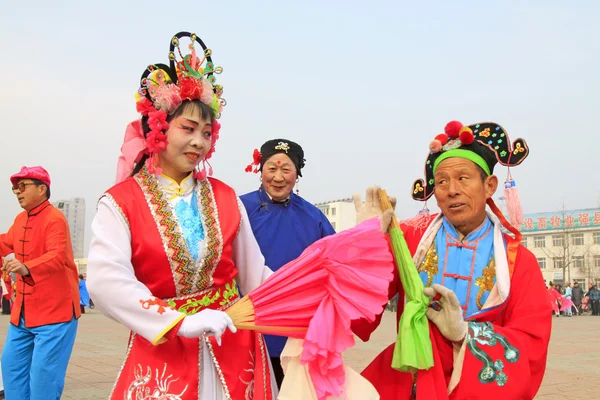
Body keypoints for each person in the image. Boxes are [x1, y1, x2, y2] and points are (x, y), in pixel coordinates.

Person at [86, 31, 276, 399]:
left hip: (233, 346)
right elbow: (105, 281)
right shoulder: (120, 203)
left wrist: (309, 289)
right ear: (157, 127)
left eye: (206, 132)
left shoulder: (224, 197)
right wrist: (176, 321)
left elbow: (256, 275)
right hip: (162, 350)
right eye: (187, 129)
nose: (198, 142)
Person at [352, 121, 552, 399]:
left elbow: (531, 341)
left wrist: (465, 334)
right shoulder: (410, 241)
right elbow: (362, 306)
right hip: (412, 379)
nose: (451, 190)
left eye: (463, 178)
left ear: (489, 185)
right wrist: (362, 244)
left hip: (477, 386)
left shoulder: (519, 261)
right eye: (442, 181)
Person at [240, 139, 336, 388]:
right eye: (272, 168)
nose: (278, 177)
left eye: (286, 170)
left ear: (298, 174)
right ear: (260, 170)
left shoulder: (314, 217)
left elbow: (334, 264)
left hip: (294, 329)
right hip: (245, 323)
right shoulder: (239, 208)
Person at [0, 166, 81, 400]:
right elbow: (7, 242)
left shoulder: (55, 218)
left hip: (55, 313)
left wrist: (27, 267)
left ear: (42, 188)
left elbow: (57, 255)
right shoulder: (20, 219)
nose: (17, 192)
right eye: (15, 187)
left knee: (44, 376)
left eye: (23, 186)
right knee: (11, 367)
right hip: (24, 313)